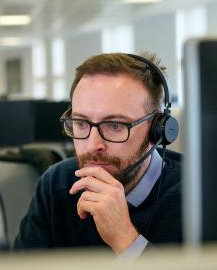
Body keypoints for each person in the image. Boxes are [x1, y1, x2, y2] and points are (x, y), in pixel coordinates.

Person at [14, 52, 182, 257]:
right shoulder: (56, 184)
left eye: (114, 125)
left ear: (157, 130)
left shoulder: (201, 195)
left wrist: (125, 238)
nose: (93, 145)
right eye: (81, 123)